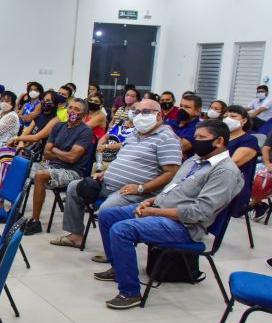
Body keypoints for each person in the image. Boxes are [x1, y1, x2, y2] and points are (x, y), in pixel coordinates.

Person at [94, 119, 243, 309]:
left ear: (219, 141)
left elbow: (200, 212)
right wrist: (150, 201)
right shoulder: (194, 161)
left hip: (184, 227)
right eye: (195, 136)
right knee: (108, 216)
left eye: (201, 137)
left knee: (122, 230)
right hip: (161, 210)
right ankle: (118, 268)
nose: (195, 141)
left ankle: (130, 292)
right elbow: (171, 189)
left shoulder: (225, 172)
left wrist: (154, 211)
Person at [50, 99, 181, 250]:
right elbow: (122, 160)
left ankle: (113, 251)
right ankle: (75, 236)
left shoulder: (167, 138)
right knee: (74, 187)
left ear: (159, 115)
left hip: (137, 192)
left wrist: (140, 188)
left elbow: (171, 173)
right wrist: (105, 173)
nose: (140, 115)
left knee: (108, 209)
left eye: (146, 112)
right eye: (137, 112)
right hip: (110, 183)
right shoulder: (134, 134)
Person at [24, 98, 94, 236]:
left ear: (84, 115)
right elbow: (46, 152)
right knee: (21, 166)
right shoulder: (58, 127)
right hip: (52, 166)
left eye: (77, 109)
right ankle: (13, 210)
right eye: (71, 108)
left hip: (72, 172)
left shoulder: (85, 131)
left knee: (40, 175)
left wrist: (54, 150)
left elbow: (72, 158)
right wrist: (59, 153)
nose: (72, 111)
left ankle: (35, 221)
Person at [224, 105, 260, 213]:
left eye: (233, 116)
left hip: (234, 184)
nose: (228, 119)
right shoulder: (219, 137)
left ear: (244, 120)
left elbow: (234, 163)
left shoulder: (249, 140)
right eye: (226, 116)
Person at [167, 93, 202, 157]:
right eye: (181, 106)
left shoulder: (199, 128)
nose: (182, 109)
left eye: (187, 107)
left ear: (197, 111)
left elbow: (177, 148)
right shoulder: (170, 122)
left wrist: (167, 131)